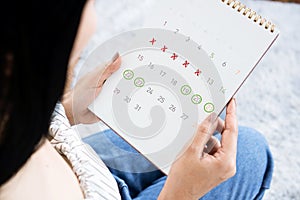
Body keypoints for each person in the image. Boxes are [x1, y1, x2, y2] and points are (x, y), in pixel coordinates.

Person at [0, 0, 274, 199]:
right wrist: (182, 193)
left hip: (82, 165)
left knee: (201, 140)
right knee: (251, 152)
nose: (93, 18)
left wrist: (69, 107)